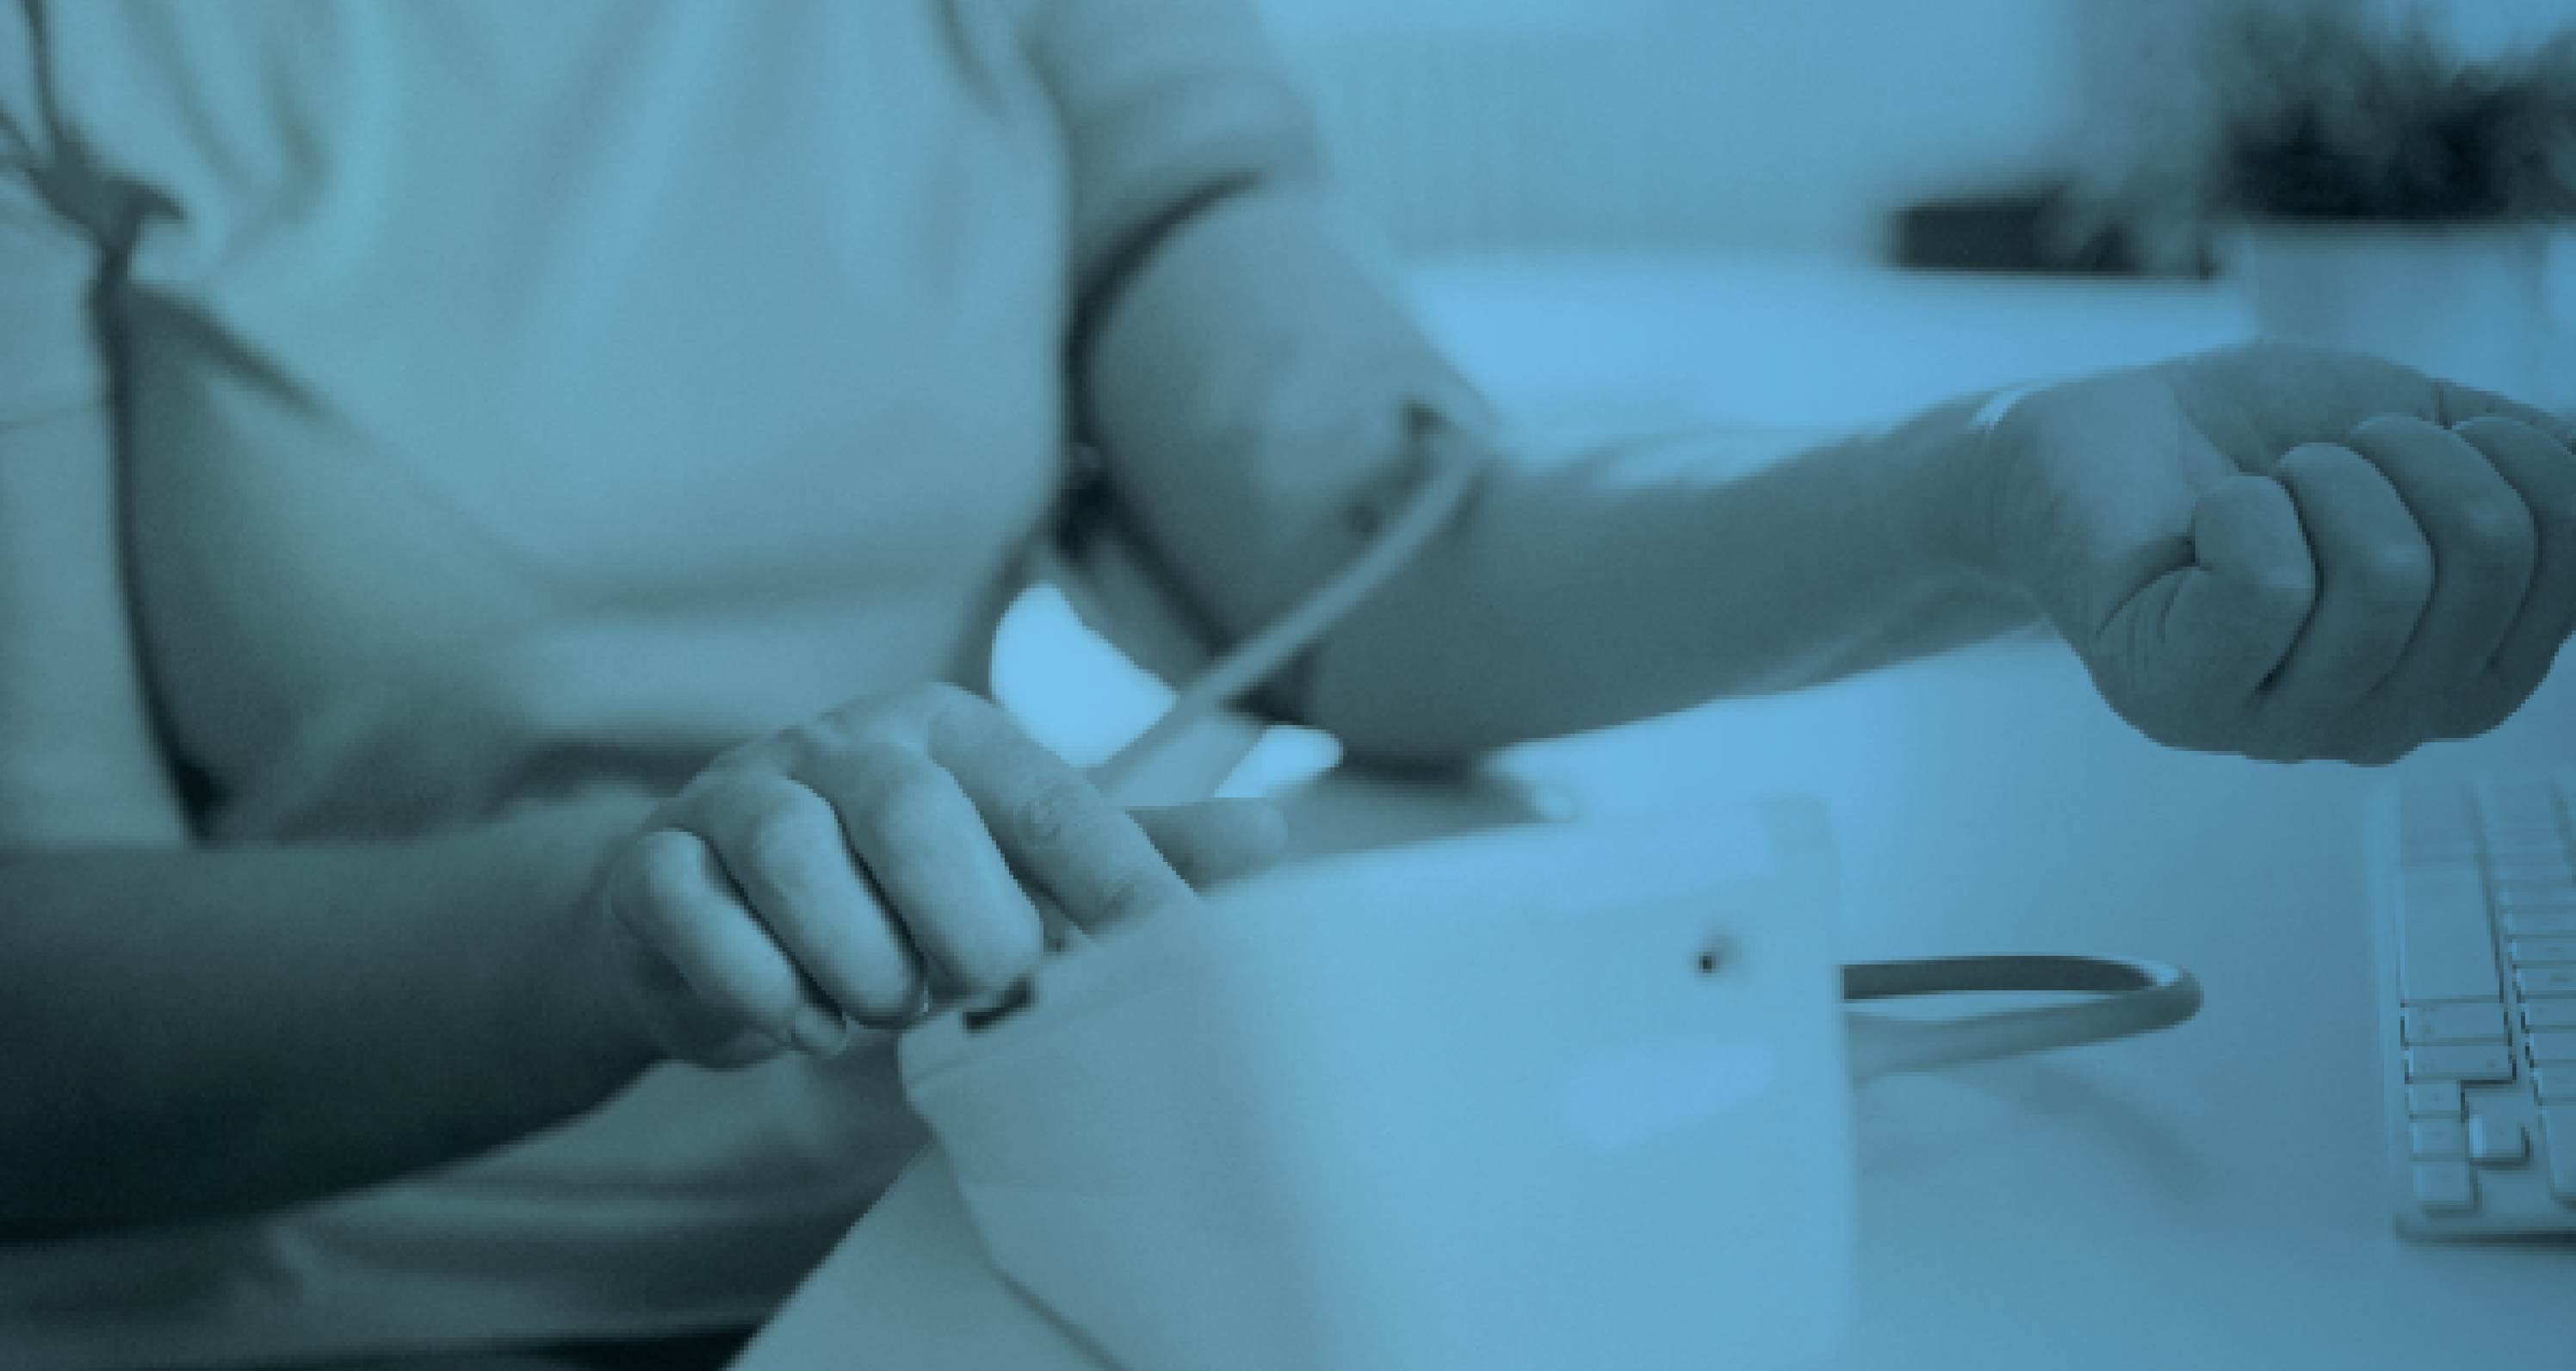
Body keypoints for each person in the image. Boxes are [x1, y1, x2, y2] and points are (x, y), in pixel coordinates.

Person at [2, 2, 2568, 1368]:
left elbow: (1389, 546)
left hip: (985, 1249)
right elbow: (41, 1019)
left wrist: (1990, 479)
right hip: (350, 1310)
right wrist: (634, 928)